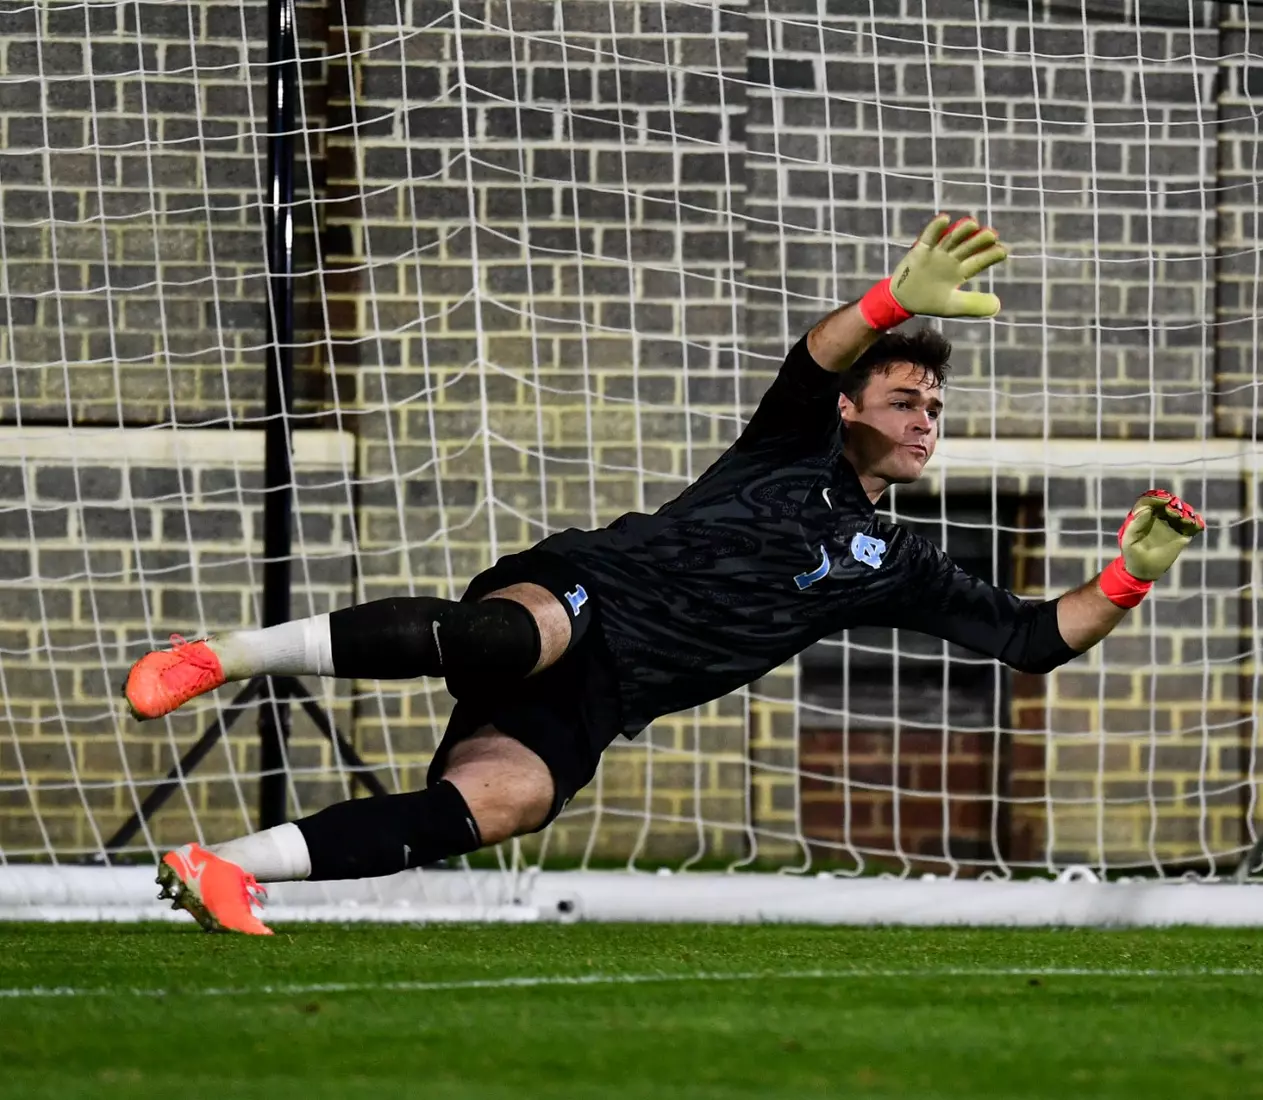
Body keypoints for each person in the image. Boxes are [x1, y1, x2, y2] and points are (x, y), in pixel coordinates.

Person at [124, 216, 1207, 934]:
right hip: (583, 588)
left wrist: (1128, 575)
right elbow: (815, 354)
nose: (923, 416)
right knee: (511, 635)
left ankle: (222, 864)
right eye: (903, 397)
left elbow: (1031, 638)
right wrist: (889, 299)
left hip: (612, 692)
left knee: (503, 801)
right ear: (851, 410)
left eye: (933, 405)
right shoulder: (795, 444)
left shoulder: (898, 562)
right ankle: (219, 655)